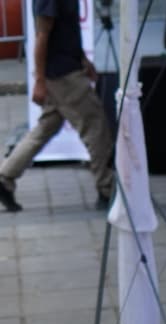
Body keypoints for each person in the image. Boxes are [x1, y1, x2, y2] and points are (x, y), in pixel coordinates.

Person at [0, 0, 114, 212]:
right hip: (63, 75)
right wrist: (40, 80)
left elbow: (65, 31)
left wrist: (82, 60)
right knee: (96, 126)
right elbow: (42, 35)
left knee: (46, 127)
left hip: (63, 68)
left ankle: (6, 177)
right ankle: (107, 188)